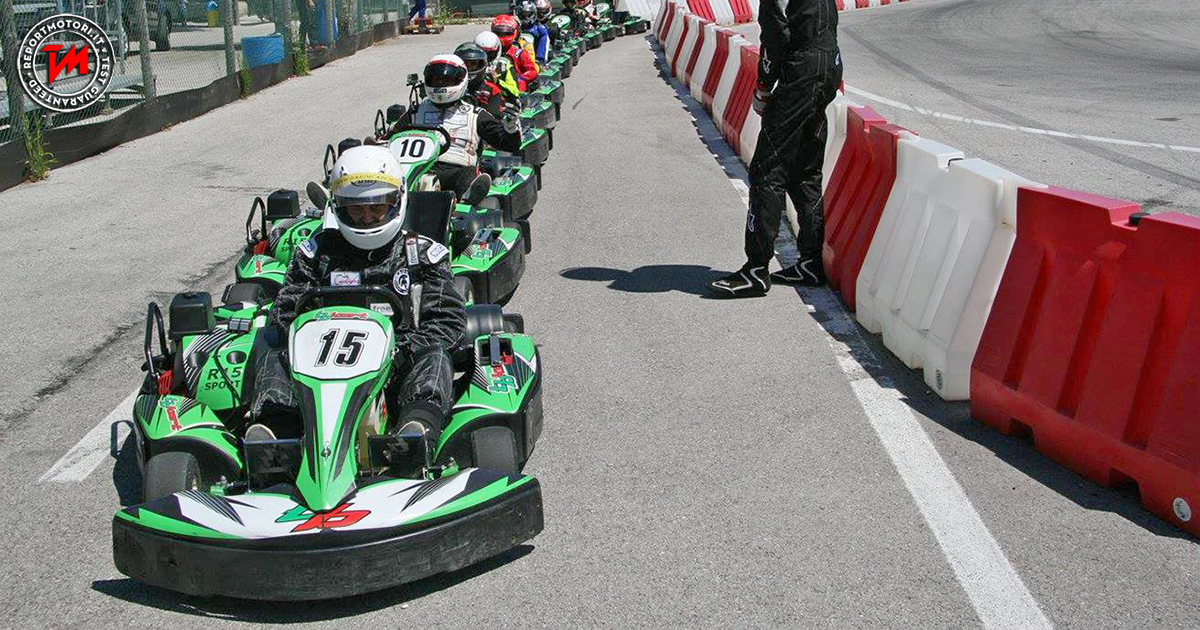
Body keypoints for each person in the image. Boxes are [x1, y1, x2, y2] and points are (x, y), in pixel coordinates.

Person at [249, 146, 466, 441]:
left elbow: (447, 322)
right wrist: (306, 344)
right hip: (318, 366)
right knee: (275, 353)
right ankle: (277, 435)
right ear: (339, 207)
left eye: (376, 208)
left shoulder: (422, 255)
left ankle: (416, 430)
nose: (366, 218)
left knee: (435, 356)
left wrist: (398, 352)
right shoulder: (316, 253)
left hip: (398, 364)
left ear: (397, 201)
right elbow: (286, 311)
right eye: (356, 209)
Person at [708, 0, 842, 297]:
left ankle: (756, 270)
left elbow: (774, 35)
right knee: (805, 172)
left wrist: (764, 86)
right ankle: (810, 263)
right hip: (829, 63)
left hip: (801, 72)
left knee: (766, 171)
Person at [396, 54, 525, 199]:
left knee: (468, 174)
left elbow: (508, 144)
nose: (441, 85)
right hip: (417, 169)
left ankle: (470, 193)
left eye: (446, 80)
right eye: (437, 80)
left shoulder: (475, 115)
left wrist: (511, 126)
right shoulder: (415, 112)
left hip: (455, 170)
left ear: (460, 80)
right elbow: (390, 138)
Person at [491, 14, 538, 91]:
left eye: (506, 33)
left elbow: (532, 72)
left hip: (515, 87)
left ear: (515, 33)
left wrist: (520, 78)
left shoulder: (520, 54)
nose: (502, 37)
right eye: (498, 33)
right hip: (494, 83)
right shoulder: (490, 52)